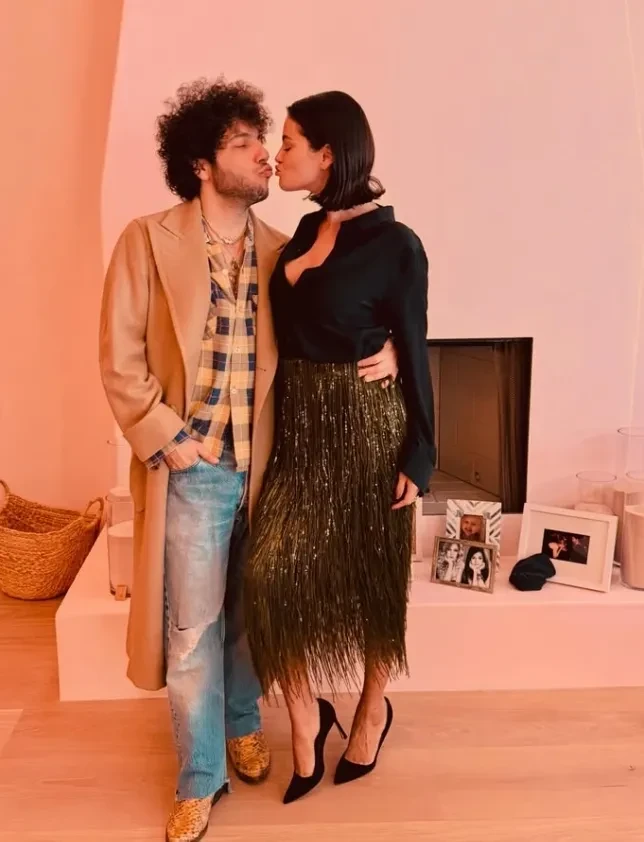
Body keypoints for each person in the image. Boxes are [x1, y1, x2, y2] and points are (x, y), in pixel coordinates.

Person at [98, 78, 399, 842]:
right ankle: (201, 777)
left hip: (270, 470)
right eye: (244, 143)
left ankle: (242, 725)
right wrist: (171, 439)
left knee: (248, 621)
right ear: (202, 163)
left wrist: (391, 347)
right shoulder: (146, 240)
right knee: (193, 632)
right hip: (193, 470)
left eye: (265, 140)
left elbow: (342, 322)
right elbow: (119, 357)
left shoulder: (283, 249)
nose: (266, 154)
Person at [244, 91, 436, 804]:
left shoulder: (397, 244)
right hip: (299, 430)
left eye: (289, 141)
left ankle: (372, 708)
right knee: (269, 577)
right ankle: (306, 718)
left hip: (367, 428)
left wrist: (421, 454)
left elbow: (414, 348)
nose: (278, 154)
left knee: (376, 582)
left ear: (328, 154)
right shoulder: (301, 229)